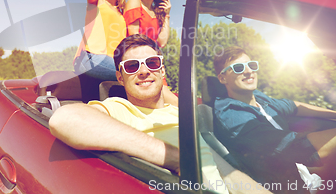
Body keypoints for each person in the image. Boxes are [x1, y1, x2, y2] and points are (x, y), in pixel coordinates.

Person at [50, 34, 273, 194]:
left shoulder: (178, 113)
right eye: (132, 66)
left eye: (152, 62)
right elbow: (64, 119)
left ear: (162, 71)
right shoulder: (120, 108)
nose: (144, 71)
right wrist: (174, 158)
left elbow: (222, 170)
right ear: (120, 77)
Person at [213, 46, 336, 191]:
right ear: (222, 77)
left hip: (305, 176)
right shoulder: (232, 115)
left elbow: (294, 106)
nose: (249, 71)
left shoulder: (258, 97)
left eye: (251, 65)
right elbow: (304, 150)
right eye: (238, 68)